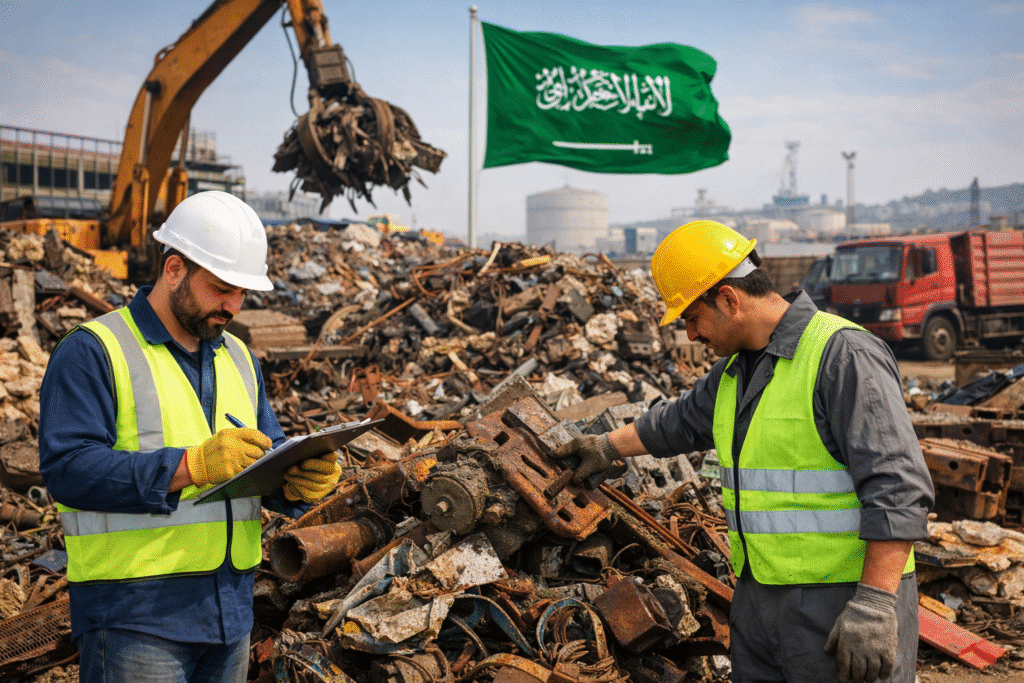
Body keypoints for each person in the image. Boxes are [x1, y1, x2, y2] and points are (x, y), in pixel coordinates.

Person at [552, 220, 934, 683]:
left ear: (730, 300)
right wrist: (606, 446)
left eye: (692, 317)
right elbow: (681, 421)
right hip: (761, 599)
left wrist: (875, 603)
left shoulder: (842, 355)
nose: (690, 335)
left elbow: (899, 487)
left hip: (842, 602)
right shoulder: (737, 371)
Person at [39, 191, 343, 683]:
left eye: (242, 293)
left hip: (229, 616)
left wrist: (298, 481)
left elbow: (259, 462)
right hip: (134, 620)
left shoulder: (239, 357)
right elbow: (69, 471)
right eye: (221, 288)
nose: (233, 306)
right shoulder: (94, 351)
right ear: (175, 268)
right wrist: (190, 466)